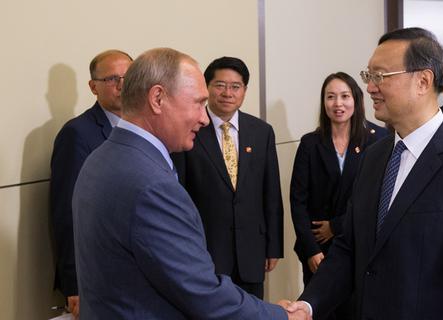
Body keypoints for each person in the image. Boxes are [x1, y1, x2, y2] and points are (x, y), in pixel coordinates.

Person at [72, 48, 309, 320]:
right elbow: (203, 293)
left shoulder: (101, 158)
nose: (204, 118)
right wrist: (281, 316)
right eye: (198, 103)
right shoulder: (151, 185)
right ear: (158, 98)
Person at [287, 27, 443, 319]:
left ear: (423, 81)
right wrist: (308, 305)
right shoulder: (373, 158)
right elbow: (349, 247)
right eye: (369, 76)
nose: (370, 88)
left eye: (380, 76)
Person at [171, 56, 283, 299]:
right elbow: (180, 192)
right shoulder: (191, 129)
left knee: (252, 312)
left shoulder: (261, 131)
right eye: (220, 85)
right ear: (207, 87)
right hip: (206, 249)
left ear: (244, 90)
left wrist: (273, 246)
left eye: (236, 86)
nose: (227, 93)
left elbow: (271, 192)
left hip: (251, 250)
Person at [290, 72, 386, 319]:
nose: (338, 104)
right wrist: (311, 250)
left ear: (356, 99)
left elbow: (375, 199)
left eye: (344, 96)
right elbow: (298, 200)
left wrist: (335, 226)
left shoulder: (378, 140)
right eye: (330, 97)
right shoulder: (310, 143)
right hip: (317, 250)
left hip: (358, 244)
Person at [50, 49, 132, 318]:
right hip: (97, 275)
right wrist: (74, 283)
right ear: (92, 87)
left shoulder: (146, 127)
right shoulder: (77, 133)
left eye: (128, 76)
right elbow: (66, 212)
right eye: (112, 79)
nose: (122, 85)